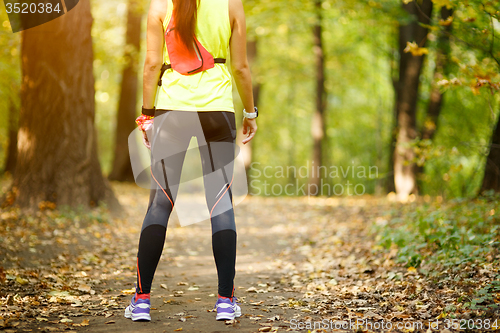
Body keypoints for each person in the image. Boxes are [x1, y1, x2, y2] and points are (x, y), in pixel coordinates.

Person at [124, 0, 257, 323]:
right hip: (218, 111)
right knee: (220, 201)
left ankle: (141, 301)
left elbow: (151, 64)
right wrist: (250, 112)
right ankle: (226, 301)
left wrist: (147, 114)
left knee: (160, 202)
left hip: (172, 112)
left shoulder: (159, 5)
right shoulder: (231, 5)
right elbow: (240, 67)